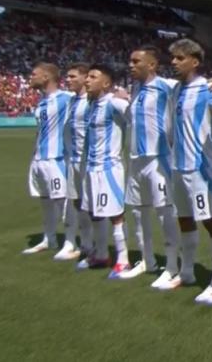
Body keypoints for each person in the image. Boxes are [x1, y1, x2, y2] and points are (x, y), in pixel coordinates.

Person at [166, 38, 212, 305]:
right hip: (177, 166)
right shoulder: (175, 90)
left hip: (201, 168)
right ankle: (187, 271)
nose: (174, 62)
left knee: (211, 222)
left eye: (180, 58)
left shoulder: (208, 89)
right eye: (173, 58)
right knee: (184, 218)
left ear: (195, 61)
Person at [120, 45, 182, 286]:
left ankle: (172, 265)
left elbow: (194, 89)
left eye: (136, 61)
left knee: (165, 213)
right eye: (130, 61)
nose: (131, 65)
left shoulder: (167, 86)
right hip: (136, 159)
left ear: (152, 65)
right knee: (137, 211)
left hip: (159, 158)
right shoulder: (134, 89)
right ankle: (147, 260)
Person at [77, 63, 132, 279]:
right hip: (91, 168)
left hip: (109, 169)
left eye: (92, 77)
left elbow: (137, 118)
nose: (87, 80)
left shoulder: (114, 103)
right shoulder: (91, 105)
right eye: (87, 77)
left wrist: (127, 99)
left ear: (106, 83)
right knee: (94, 213)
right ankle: (101, 255)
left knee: (115, 215)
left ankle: (123, 260)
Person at [22, 63, 72, 256]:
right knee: (45, 201)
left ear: (46, 77)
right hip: (39, 159)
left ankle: (70, 243)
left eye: (34, 74)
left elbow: (88, 97)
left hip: (56, 159)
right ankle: (49, 239)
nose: (30, 77)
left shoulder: (66, 98)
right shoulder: (41, 102)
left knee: (62, 201)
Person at [60, 62, 92, 261]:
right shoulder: (72, 101)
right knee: (78, 202)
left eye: (73, 77)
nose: (68, 80)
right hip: (73, 159)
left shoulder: (93, 100)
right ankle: (86, 244)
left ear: (84, 77)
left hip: (89, 161)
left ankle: (96, 245)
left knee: (93, 206)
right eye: (68, 76)